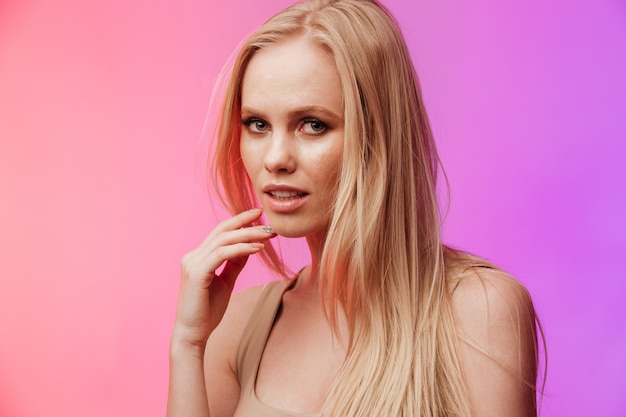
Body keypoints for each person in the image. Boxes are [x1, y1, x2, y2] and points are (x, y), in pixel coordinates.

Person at [167, 0, 542, 416]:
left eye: (313, 124)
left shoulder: (480, 311)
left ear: (378, 137)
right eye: (257, 124)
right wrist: (187, 344)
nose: (275, 158)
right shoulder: (235, 325)